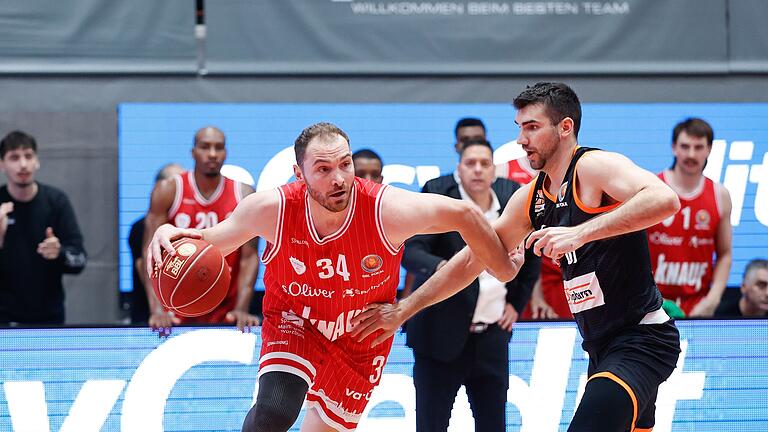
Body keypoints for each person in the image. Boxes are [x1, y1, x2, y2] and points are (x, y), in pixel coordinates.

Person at [352, 82, 683, 432]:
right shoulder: (531, 198)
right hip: (599, 347)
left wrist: (581, 232)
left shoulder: (594, 166)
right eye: (519, 128)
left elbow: (665, 200)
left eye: (532, 127)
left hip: (642, 338)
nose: (522, 139)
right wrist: (404, 309)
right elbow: (468, 261)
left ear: (565, 127)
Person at [146, 122, 516, 432]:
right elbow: (207, 243)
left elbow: (466, 215)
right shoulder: (270, 208)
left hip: (361, 332)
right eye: (323, 169)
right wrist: (167, 234)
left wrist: (502, 267)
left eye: (345, 164)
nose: (339, 178)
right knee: (275, 411)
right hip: (296, 320)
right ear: (300, 174)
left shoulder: (387, 208)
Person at [402, 138, 539, 431]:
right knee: (431, 424)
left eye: (484, 164)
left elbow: (531, 258)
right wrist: (445, 271)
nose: (477, 170)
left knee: (493, 425)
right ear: (458, 169)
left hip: (491, 338)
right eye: (470, 163)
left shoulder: (513, 199)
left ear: (494, 170)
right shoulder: (438, 195)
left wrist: (516, 304)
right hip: (438, 336)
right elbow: (411, 251)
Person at [142, 126, 260, 334]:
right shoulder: (168, 190)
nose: (212, 154)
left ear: (226, 153)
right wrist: (157, 309)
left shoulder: (243, 193)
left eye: (219, 148)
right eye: (205, 147)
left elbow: (248, 257)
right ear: (193, 152)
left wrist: (241, 308)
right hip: (176, 310)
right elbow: (149, 252)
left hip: (224, 311)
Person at [647, 118, 733, 317]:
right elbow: (629, 252)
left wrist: (713, 299)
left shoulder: (720, 196)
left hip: (698, 306)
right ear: (674, 148)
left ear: (709, 149)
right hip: (652, 303)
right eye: (685, 146)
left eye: (698, 147)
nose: (691, 154)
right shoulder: (651, 188)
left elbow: (725, 254)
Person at [0, 130, 87, 325]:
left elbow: (80, 260)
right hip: (3, 319)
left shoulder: (56, 202)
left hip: (48, 319)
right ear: (2, 164)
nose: (23, 164)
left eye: (28, 156)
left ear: (37, 161)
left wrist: (60, 253)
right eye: (14, 157)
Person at [127, 163, 184, 324]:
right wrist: (159, 310)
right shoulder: (141, 227)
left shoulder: (185, 226)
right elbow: (142, 266)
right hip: (150, 319)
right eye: (174, 183)